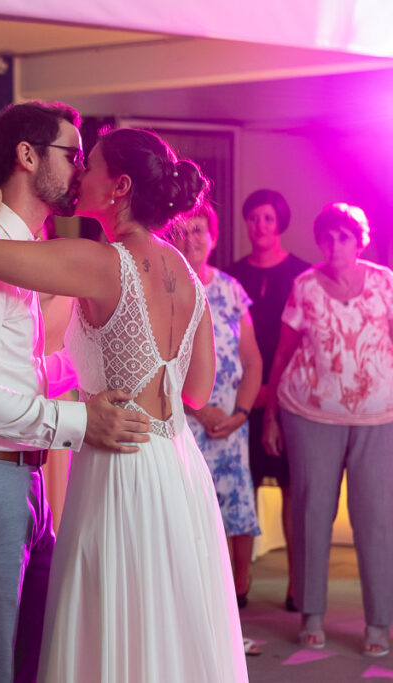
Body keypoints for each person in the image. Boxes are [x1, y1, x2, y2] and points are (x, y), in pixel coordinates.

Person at [0, 127, 248, 682]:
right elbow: (197, 390)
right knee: (169, 622)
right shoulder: (188, 274)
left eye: (88, 165)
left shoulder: (101, 262)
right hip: (178, 467)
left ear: (119, 187)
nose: (78, 174)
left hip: (120, 463)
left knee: (112, 618)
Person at [0, 102, 151, 683]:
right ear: (27, 156)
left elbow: (18, 369)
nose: (80, 169)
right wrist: (81, 423)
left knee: (29, 660)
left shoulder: (14, 247)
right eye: (72, 154)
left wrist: (104, 364)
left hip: (15, 472)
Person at [263, 202, 393, 657]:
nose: (335, 245)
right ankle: (311, 616)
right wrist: (271, 415)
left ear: (360, 242)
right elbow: (283, 354)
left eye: (344, 237)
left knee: (376, 518)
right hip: (310, 413)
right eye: (328, 238)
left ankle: (379, 622)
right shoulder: (305, 286)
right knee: (312, 512)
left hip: (379, 417)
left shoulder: (385, 283)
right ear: (319, 242)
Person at [171, 203, 263, 655]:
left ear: (214, 237)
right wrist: (201, 410)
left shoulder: (230, 289)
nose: (192, 239)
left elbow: (252, 361)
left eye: (200, 231)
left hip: (231, 428)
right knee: (189, 525)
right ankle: (191, 632)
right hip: (184, 426)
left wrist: (241, 413)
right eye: (184, 231)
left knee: (233, 520)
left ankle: (228, 626)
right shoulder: (167, 284)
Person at [225, 189, 310, 612]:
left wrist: (272, 389)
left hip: (289, 396)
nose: (260, 226)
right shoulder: (231, 275)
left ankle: (298, 584)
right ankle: (239, 581)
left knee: (294, 490)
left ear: (280, 224)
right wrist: (250, 388)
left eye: (268, 219)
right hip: (242, 395)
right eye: (254, 218)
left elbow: (303, 342)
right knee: (245, 485)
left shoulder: (301, 274)